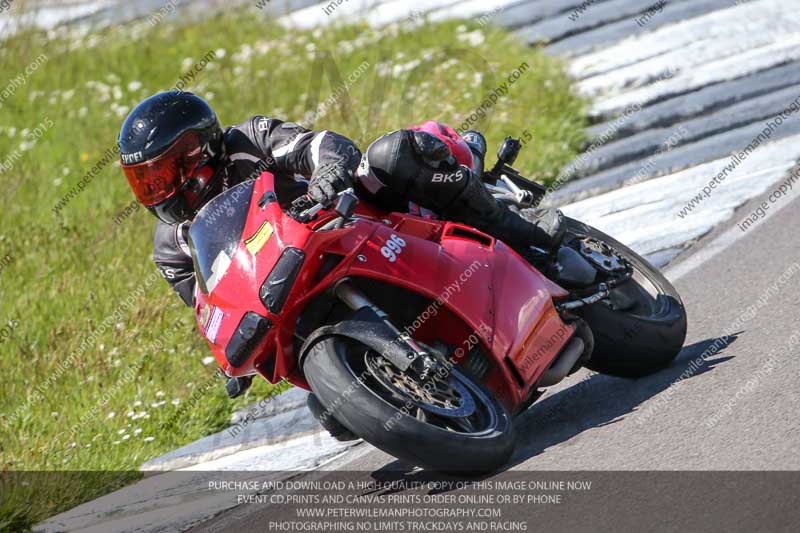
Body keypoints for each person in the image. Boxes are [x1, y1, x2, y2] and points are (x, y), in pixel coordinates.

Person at [118, 91, 564, 308]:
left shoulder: (248, 141)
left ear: (201, 146)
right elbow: (210, 308)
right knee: (331, 414)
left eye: (167, 170)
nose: (160, 189)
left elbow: (323, 145)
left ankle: (517, 230)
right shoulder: (172, 245)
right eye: (146, 181)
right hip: (297, 280)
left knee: (389, 157)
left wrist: (327, 175)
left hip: (359, 218)